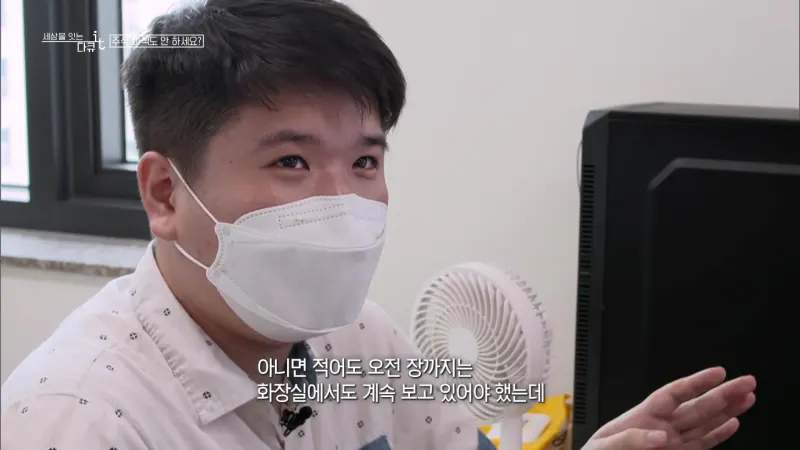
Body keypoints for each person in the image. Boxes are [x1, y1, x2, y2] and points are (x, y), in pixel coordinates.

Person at [0, 1, 756, 449]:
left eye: (365, 162)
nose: (344, 206)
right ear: (166, 193)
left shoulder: (362, 339)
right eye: (292, 162)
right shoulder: (80, 421)